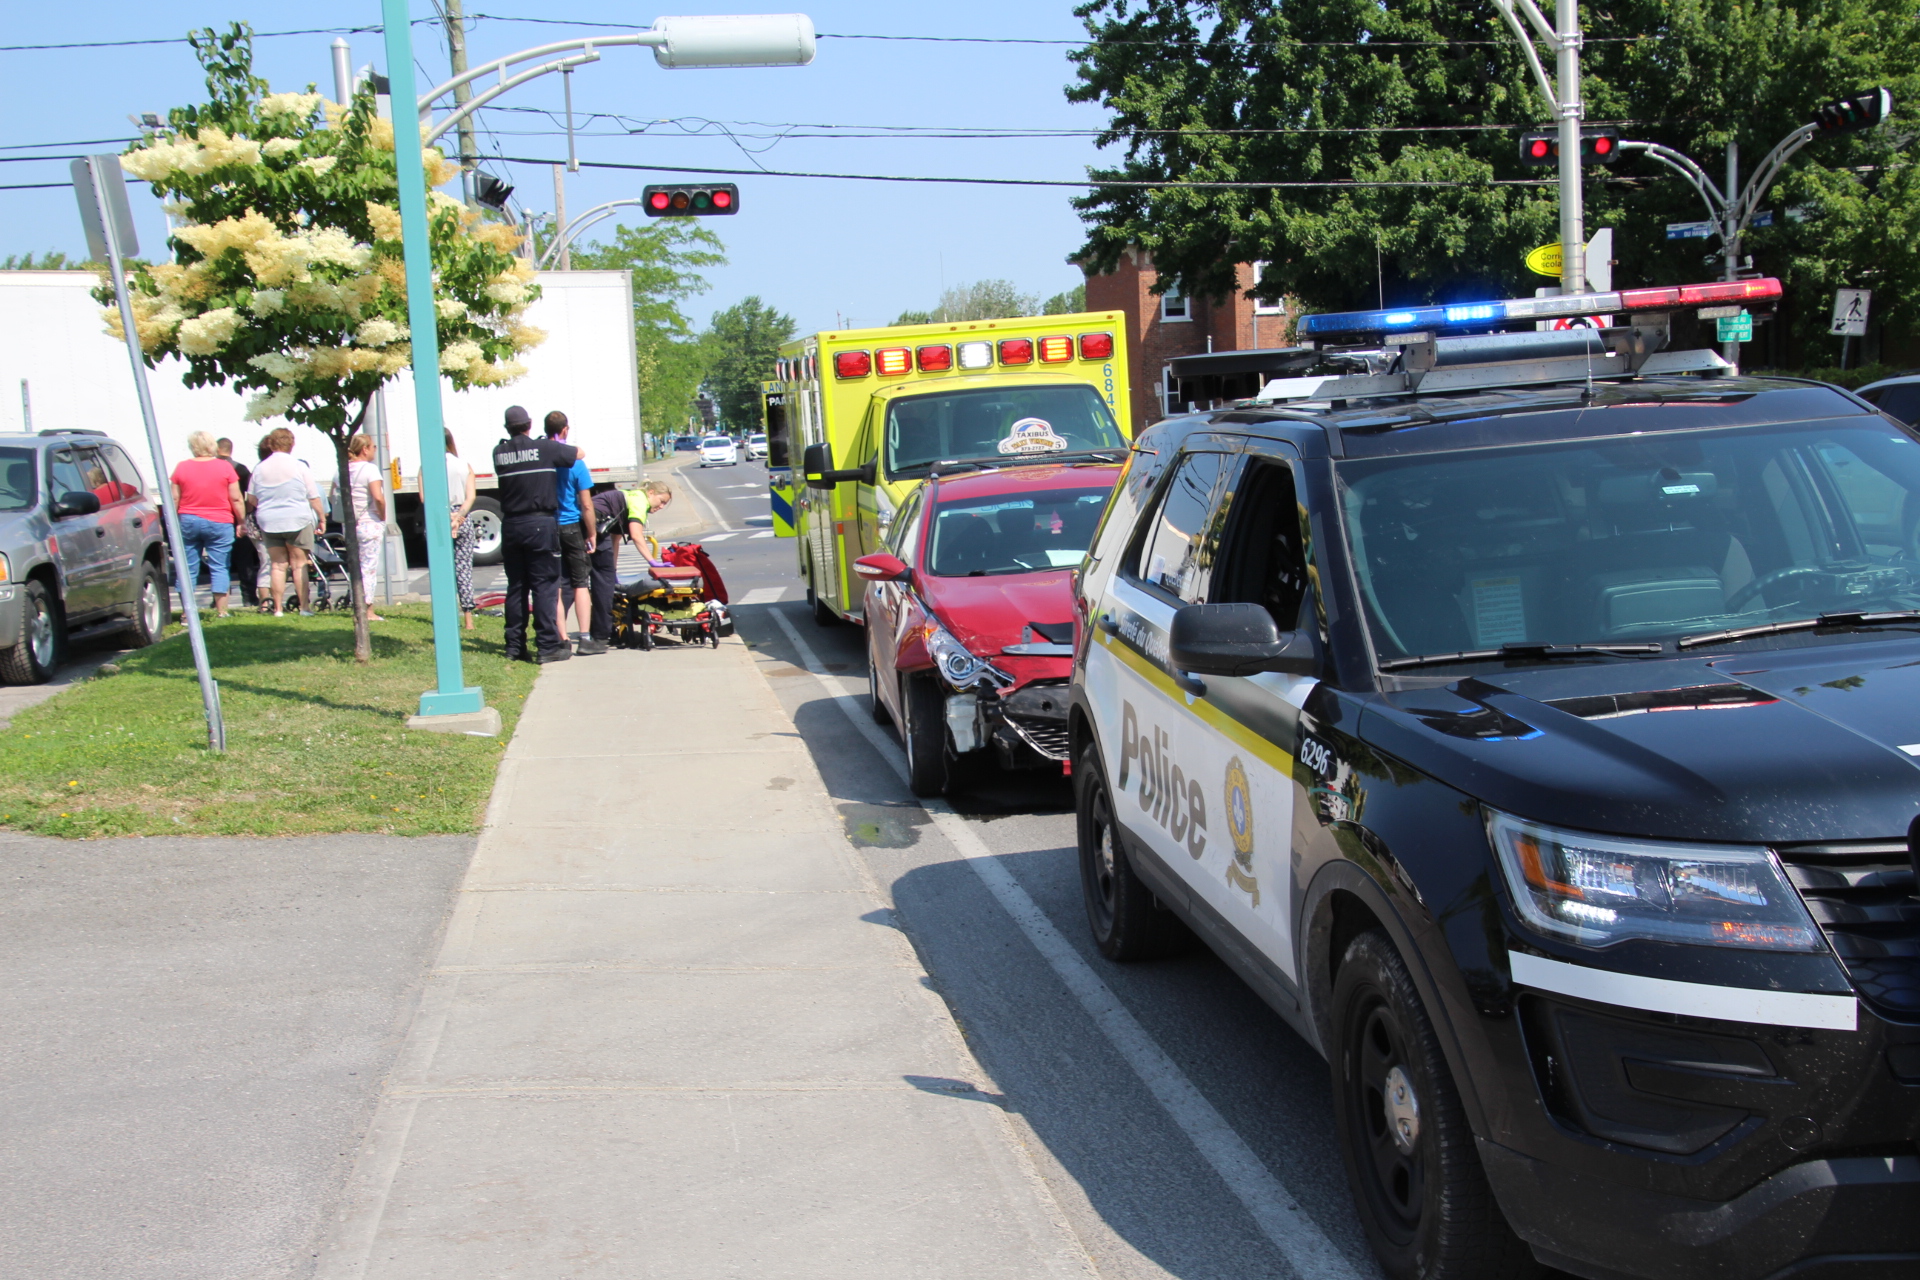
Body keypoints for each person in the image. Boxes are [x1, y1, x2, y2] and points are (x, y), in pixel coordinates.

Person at [491, 404, 580, 662]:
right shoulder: (545, 448)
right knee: (545, 587)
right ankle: (547, 646)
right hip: (540, 524)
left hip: (512, 526)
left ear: (507, 428)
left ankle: (514, 646)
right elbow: (578, 453)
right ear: (529, 425)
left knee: (517, 587)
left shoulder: (499, 453)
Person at [582, 482, 670, 654]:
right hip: (594, 522)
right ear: (650, 493)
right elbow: (637, 535)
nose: (661, 506)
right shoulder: (639, 500)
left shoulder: (626, 498)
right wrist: (653, 562)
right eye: (661, 501)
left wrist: (612, 571)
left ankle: (564, 632)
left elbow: (614, 540)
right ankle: (601, 635)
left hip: (585, 521)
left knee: (580, 581)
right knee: (602, 585)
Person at [249, 427, 325, 617]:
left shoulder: (260, 468)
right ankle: (304, 608)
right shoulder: (299, 466)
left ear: (271, 444)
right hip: (297, 519)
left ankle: (277, 609)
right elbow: (313, 496)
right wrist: (322, 518)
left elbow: (251, 498)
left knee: (277, 565)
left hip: (269, 521)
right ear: (292, 444)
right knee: (299, 564)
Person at [170, 430, 246, 619]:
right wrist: (241, 521)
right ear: (212, 446)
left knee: (187, 566)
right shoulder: (225, 468)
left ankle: (187, 613)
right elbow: (236, 498)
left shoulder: (181, 467)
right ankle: (222, 611)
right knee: (220, 566)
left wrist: (171, 522)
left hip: (189, 520)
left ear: (193, 447)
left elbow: (174, 498)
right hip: (220, 521)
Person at [545, 410, 596, 643]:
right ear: (565, 430)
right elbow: (586, 504)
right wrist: (592, 532)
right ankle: (584, 637)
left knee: (555, 585)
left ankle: (560, 635)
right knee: (580, 582)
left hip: (548, 526)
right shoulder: (576, 463)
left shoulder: (542, 459)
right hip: (571, 526)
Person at [343, 433, 387, 621]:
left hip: (350, 524)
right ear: (365, 449)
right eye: (373, 446)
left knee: (355, 567)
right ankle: (367, 610)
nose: (375, 450)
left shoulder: (342, 470)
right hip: (368, 523)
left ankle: (355, 604)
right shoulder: (370, 470)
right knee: (368, 568)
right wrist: (383, 515)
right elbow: (378, 497)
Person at [445, 428, 479, 631]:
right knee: (464, 568)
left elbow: (424, 498)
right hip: (462, 516)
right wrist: (459, 517)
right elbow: (471, 496)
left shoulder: (427, 467)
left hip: (439, 518)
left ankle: (447, 615)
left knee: (443, 571)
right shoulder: (464, 466)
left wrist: (446, 515)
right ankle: (468, 619)